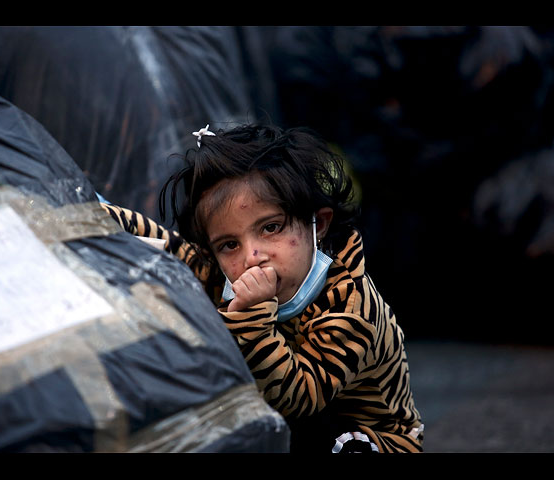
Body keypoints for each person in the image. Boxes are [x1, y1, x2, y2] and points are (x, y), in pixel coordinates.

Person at [100, 124, 424, 453]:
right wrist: (88, 211)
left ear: (319, 224)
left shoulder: (350, 305)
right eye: (229, 245)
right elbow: (165, 246)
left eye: (270, 227)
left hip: (369, 438)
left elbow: (300, 398)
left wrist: (252, 316)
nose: (252, 257)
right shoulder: (222, 271)